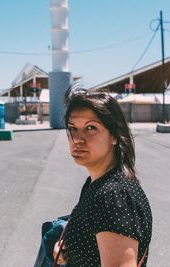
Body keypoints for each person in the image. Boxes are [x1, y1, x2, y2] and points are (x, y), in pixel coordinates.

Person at [53, 86, 153, 267]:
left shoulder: (114, 196)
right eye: (72, 128)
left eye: (90, 128)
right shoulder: (97, 183)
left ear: (115, 135)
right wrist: (66, 252)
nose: (77, 139)